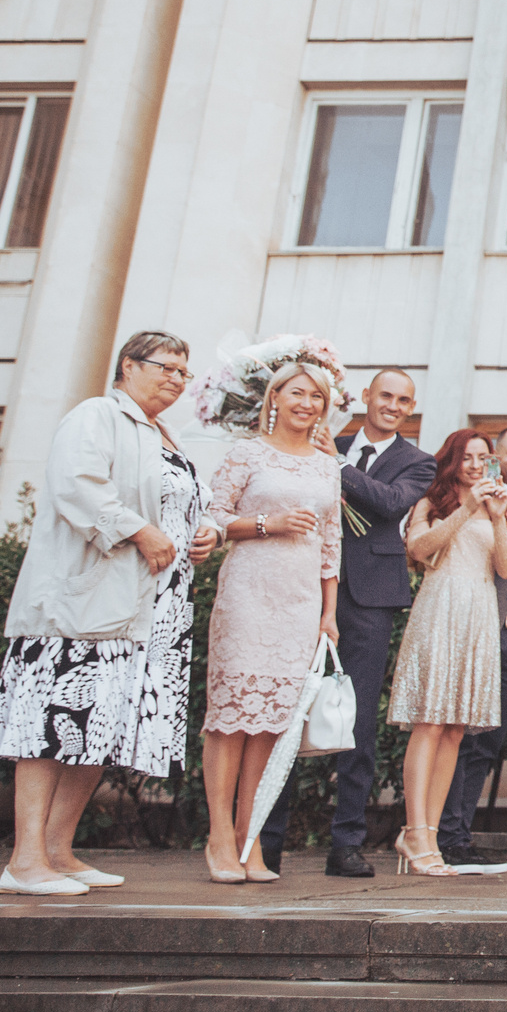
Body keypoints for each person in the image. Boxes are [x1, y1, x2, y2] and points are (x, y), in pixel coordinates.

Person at [0, 331, 217, 895]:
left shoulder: (168, 436)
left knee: (97, 728)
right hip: (83, 603)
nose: (178, 379)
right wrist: (139, 530)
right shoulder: (96, 416)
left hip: (147, 609)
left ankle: (58, 850)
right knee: (49, 722)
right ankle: (24, 860)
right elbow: (76, 485)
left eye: (186, 372)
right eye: (167, 367)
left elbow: (177, 508)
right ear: (128, 366)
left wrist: (197, 534)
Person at [263, 367, 428, 880]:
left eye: (404, 400)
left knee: (354, 722)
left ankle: (347, 843)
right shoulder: (320, 440)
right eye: (386, 396)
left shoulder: (418, 461)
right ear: (364, 397)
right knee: (284, 709)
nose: (393, 406)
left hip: (371, 598)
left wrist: (333, 466)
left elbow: (390, 504)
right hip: (302, 586)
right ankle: (265, 841)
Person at [201, 349, 345, 883]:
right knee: (231, 717)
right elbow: (213, 517)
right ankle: (218, 837)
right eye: (298, 393)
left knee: (270, 724)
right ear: (275, 399)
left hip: (301, 604)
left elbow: (331, 545)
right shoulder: (247, 455)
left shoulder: (327, 464)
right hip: (248, 593)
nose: (307, 404)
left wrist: (329, 613)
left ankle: (250, 838)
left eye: (317, 397)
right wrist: (270, 522)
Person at [389, 428, 507, 876]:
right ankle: (415, 830)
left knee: (455, 729)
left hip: (480, 612)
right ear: (452, 460)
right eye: (467, 456)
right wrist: (466, 508)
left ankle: (427, 830)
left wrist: (499, 518)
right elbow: (419, 549)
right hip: (441, 606)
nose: (475, 464)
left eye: (483, 457)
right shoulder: (433, 502)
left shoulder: (495, 508)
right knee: (429, 723)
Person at [439, 426, 507, 869]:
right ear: (495, 457)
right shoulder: (482, 498)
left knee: (489, 741)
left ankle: (459, 833)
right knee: (459, 736)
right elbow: (500, 559)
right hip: (480, 624)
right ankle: (445, 835)